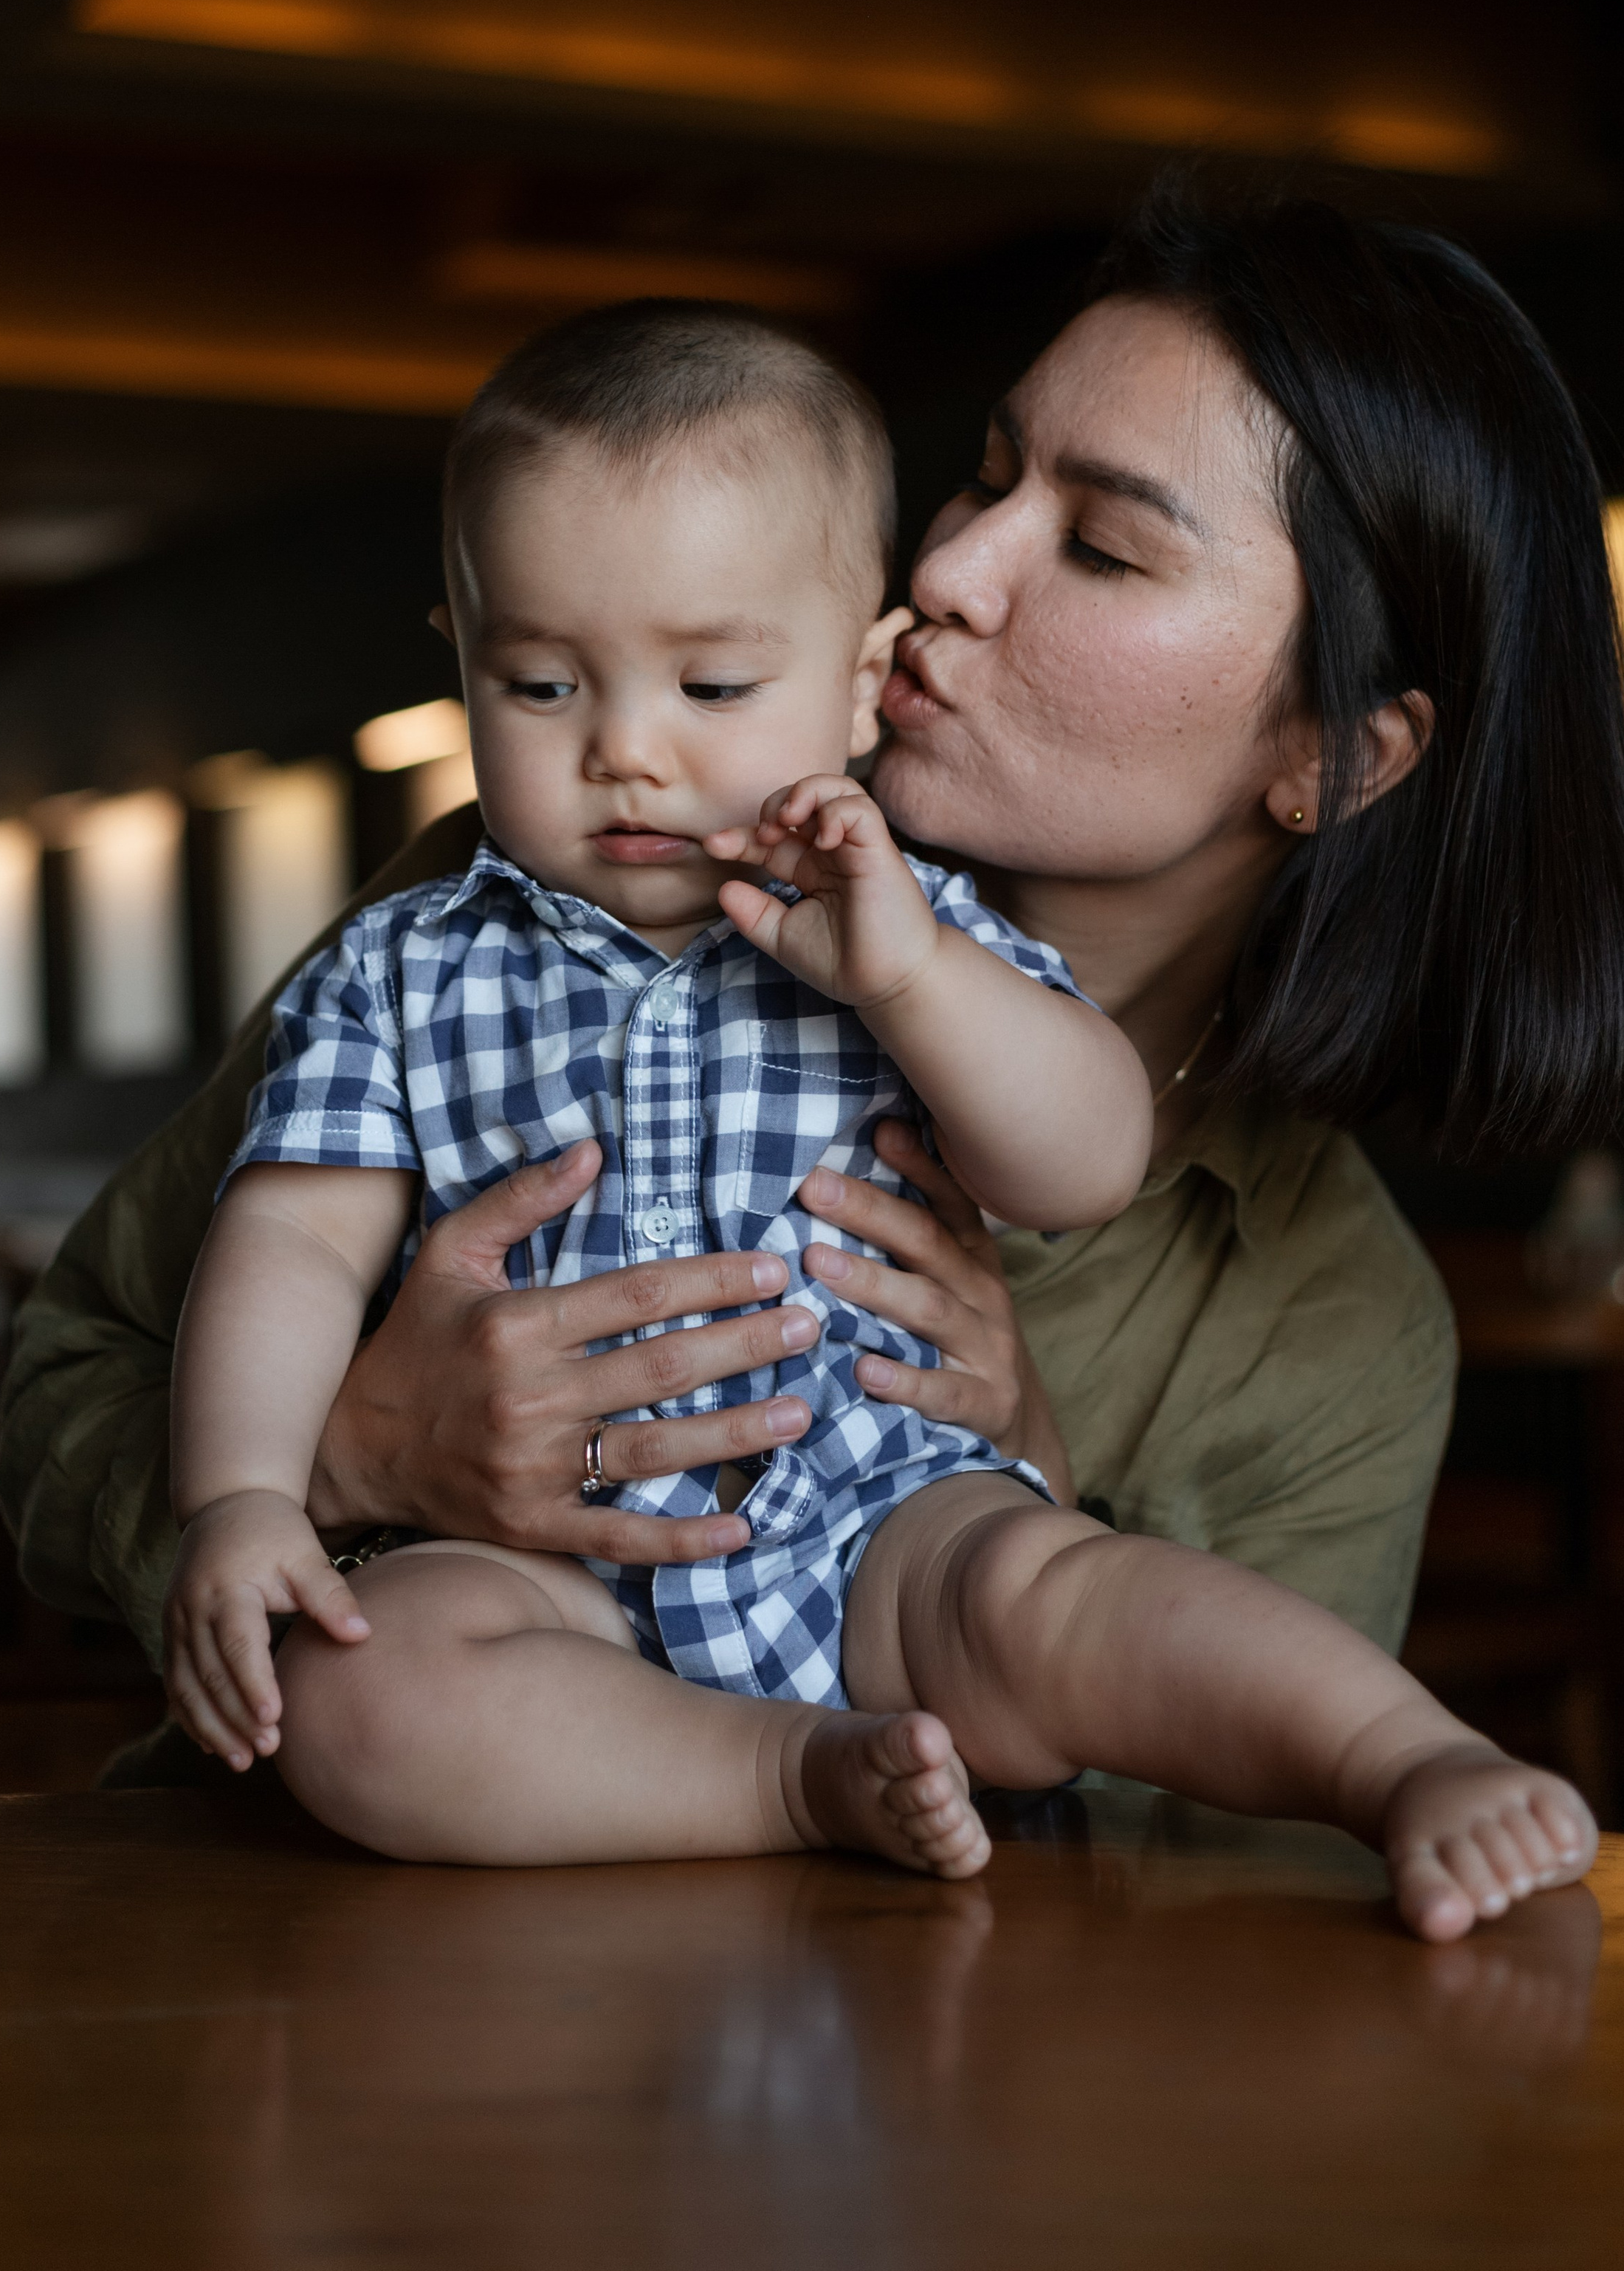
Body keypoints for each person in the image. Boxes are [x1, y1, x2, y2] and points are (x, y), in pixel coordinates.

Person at [0, 188, 1624, 1920]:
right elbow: (65, 1393)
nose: (943, 573)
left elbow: (1208, 1917)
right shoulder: (529, 903)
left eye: (1099, 547)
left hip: (903, 2066)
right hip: (338, 1941)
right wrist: (348, 1464)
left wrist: (1035, 1494)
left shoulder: (1332, 1330)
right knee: (379, 1692)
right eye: (988, 472)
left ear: (1333, 752)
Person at [166, 305, 1149, 1737]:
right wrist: (244, 1496)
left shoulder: (914, 930)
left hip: (877, 1525)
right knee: (364, 1690)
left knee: (1057, 1590)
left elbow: (1083, 1165)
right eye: (543, 685)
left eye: (711, 686)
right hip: (546, 1573)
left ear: (862, 685)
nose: (623, 749)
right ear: (462, 663)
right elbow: (296, 1238)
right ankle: (785, 1785)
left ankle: (1390, 1756)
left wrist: (909, 979)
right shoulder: (400, 965)